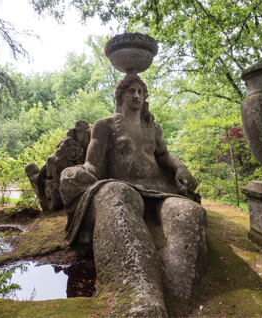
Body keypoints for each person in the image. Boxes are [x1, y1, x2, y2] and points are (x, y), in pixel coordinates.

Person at [60, 74, 207, 317]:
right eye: (131, 91)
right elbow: (93, 166)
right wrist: (77, 172)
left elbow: (164, 156)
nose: (137, 95)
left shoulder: (152, 128)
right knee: (117, 199)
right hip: (122, 186)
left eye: (140, 91)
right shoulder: (105, 125)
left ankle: (179, 297)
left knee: (190, 213)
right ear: (120, 96)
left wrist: (180, 168)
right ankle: (137, 297)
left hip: (158, 190)